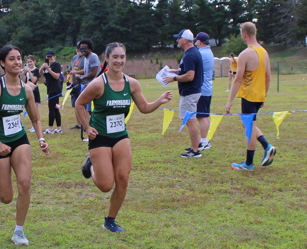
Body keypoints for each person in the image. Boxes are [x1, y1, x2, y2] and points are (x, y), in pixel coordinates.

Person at [76, 43, 172, 232]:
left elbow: (144, 108)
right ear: (107, 58)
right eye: (115, 57)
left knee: (123, 178)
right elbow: (80, 104)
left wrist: (159, 101)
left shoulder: (132, 84)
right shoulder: (98, 84)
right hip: (100, 137)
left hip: (120, 136)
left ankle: (110, 221)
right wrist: (87, 127)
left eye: (122, 57)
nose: (119, 61)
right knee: (105, 185)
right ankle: (91, 164)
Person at [0, 45, 50, 246]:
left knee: (25, 183)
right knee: (6, 197)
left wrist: (41, 139)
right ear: (3, 63)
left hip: (18, 139)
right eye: (12, 59)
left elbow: (35, 119)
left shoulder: (27, 90)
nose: (17, 62)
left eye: (19, 58)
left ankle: (19, 232)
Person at [225, 22, 276, 171]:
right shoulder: (264, 52)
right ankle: (267, 146)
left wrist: (229, 101)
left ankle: (249, 163)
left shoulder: (245, 54)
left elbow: (238, 79)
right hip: (259, 95)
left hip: (249, 95)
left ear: (245, 34)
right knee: (249, 124)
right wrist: (264, 96)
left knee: (249, 128)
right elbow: (268, 77)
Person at [165, 29, 203, 158]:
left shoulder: (190, 55)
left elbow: (190, 76)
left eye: (179, 38)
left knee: (190, 121)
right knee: (189, 120)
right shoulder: (192, 52)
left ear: (185, 40)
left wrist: (174, 78)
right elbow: (186, 71)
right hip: (191, 91)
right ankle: (196, 145)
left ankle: (195, 151)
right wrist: (175, 71)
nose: (177, 40)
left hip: (190, 92)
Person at [195, 32, 215, 151]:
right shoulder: (209, 52)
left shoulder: (201, 53)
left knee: (202, 116)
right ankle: (205, 140)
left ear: (200, 41)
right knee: (205, 116)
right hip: (208, 88)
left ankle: (204, 141)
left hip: (202, 89)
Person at [40, 50, 64, 134]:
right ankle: (59, 127)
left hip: (55, 89)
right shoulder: (47, 65)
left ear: (54, 57)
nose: (49, 58)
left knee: (51, 108)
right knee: (55, 108)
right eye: (48, 57)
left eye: (51, 56)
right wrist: (42, 67)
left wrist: (48, 69)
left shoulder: (56, 65)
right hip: (50, 88)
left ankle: (50, 128)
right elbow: (41, 73)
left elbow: (56, 76)